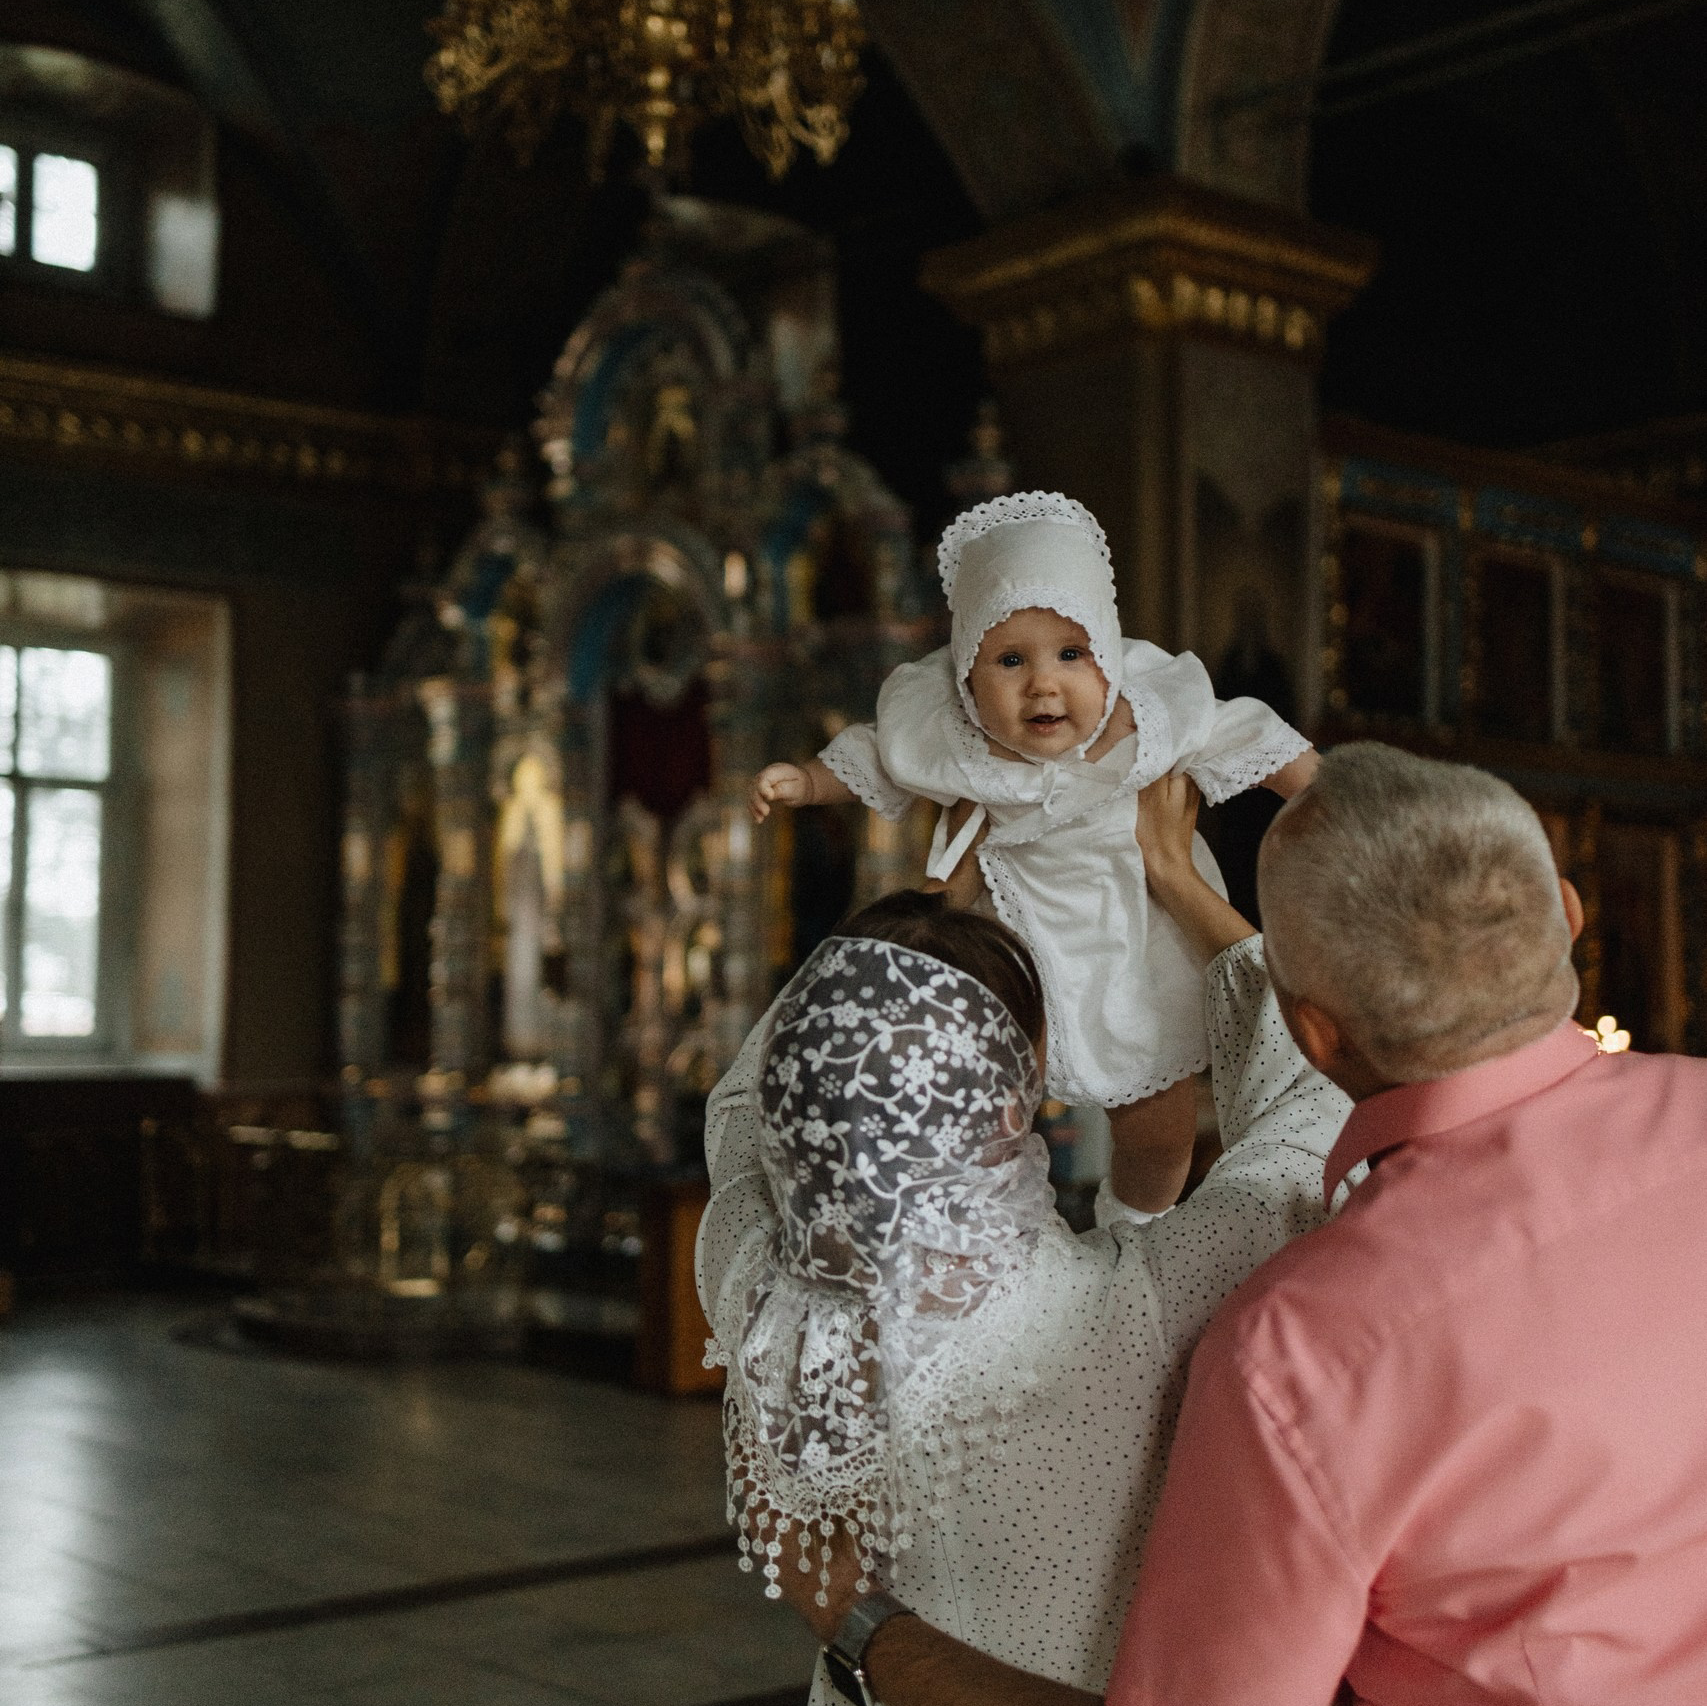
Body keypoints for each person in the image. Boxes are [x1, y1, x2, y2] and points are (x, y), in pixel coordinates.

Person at [776, 742, 1707, 1706]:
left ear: (1321, 1028)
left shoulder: (1302, 1348)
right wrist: (1180, 880)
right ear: (1566, 909)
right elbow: (1297, 1105)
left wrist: (855, 1617)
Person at [697, 774, 1352, 1705]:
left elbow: (738, 1105)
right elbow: (1313, 1108)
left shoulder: (753, 1283)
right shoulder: (1135, 1305)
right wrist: (1179, 880)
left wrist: (928, 915)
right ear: (1019, 1091)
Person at [746, 491, 1316, 1212]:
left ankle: (1133, 1229)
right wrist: (805, 781)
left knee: (1160, 1126)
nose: (1043, 684)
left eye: (1071, 655)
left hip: (1138, 939)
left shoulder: (1148, 721)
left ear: (1108, 659)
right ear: (964, 678)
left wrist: (1327, 796)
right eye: (1009, 661)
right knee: (985, 1100)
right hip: (1017, 941)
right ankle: (988, 1223)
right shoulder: (956, 739)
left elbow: (1255, 738)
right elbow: (875, 756)